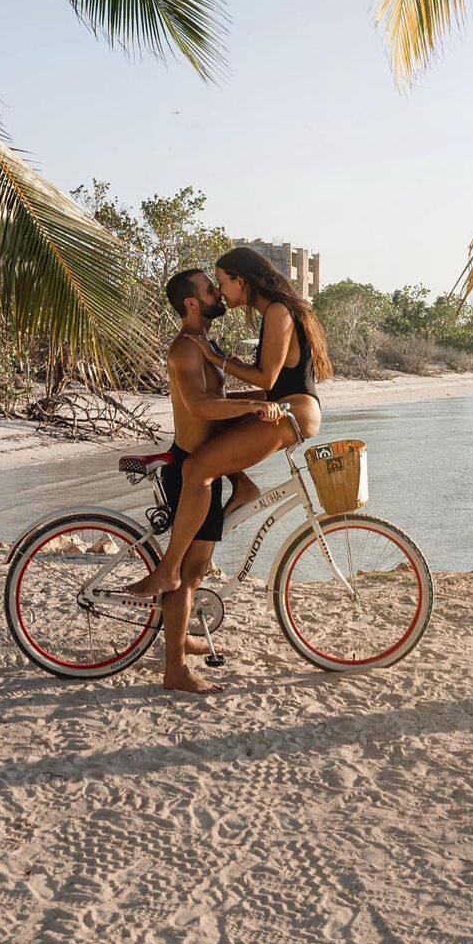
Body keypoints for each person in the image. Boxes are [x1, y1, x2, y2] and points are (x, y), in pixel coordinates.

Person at [126, 247, 331, 609]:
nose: (220, 291)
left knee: (197, 468)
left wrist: (218, 359)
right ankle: (243, 485)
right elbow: (265, 388)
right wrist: (241, 400)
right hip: (290, 407)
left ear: (242, 280)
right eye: (213, 286)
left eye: (221, 282)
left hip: (293, 413)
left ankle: (169, 568)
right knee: (218, 429)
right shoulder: (274, 311)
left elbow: (267, 379)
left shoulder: (278, 311)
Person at [152, 268, 277, 694]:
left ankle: (181, 636)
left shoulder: (206, 344)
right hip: (190, 467)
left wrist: (261, 398)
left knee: (197, 569)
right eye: (209, 290)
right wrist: (251, 409)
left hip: (208, 464)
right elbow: (201, 406)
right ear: (191, 303)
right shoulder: (185, 348)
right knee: (185, 572)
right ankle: (175, 670)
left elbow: (219, 399)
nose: (217, 294)